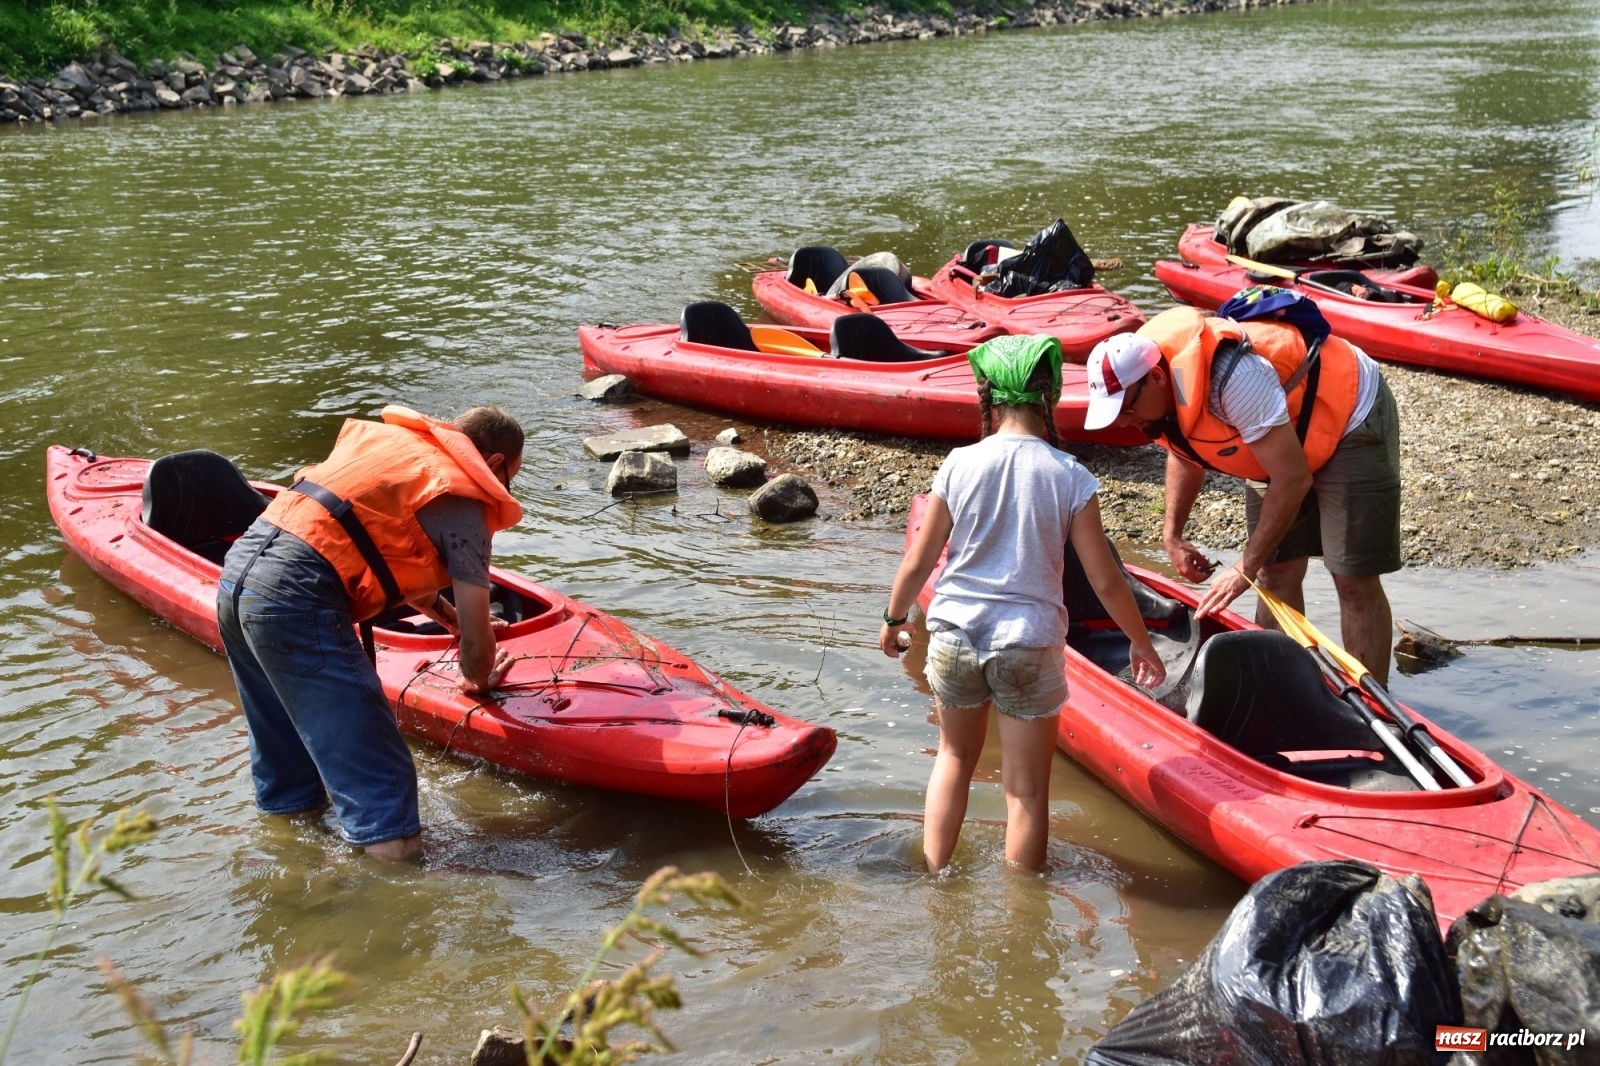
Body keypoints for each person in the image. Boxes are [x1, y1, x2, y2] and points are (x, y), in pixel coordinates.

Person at [879, 334, 1166, 874]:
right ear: (1049, 396)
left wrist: (894, 620)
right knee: (1027, 793)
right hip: (1028, 643)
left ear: (986, 396)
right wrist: (1140, 641)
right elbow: (1105, 579)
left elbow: (919, 562)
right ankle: (1022, 917)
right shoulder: (1070, 475)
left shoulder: (959, 464)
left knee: (953, 760)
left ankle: (935, 880)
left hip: (955, 636)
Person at [216, 404, 524, 862]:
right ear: (495, 464)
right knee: (383, 778)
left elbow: (384, 556)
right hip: (298, 596)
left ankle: (290, 861)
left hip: (238, 579)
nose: (503, 488)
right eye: (510, 478)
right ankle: (394, 890)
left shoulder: (401, 456)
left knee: (288, 766)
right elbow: (479, 651)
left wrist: (451, 620)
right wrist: (477, 676)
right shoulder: (463, 502)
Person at [1083, 301, 1402, 684]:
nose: (1125, 421)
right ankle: (1280, 689)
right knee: (1276, 572)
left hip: (1350, 413)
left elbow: (1293, 480)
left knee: (1352, 578)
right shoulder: (1156, 396)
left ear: (1155, 378)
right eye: (1114, 413)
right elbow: (1185, 453)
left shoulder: (1233, 380)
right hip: (1279, 437)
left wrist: (1241, 568)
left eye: (1126, 408)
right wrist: (1173, 536)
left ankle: (1375, 709)